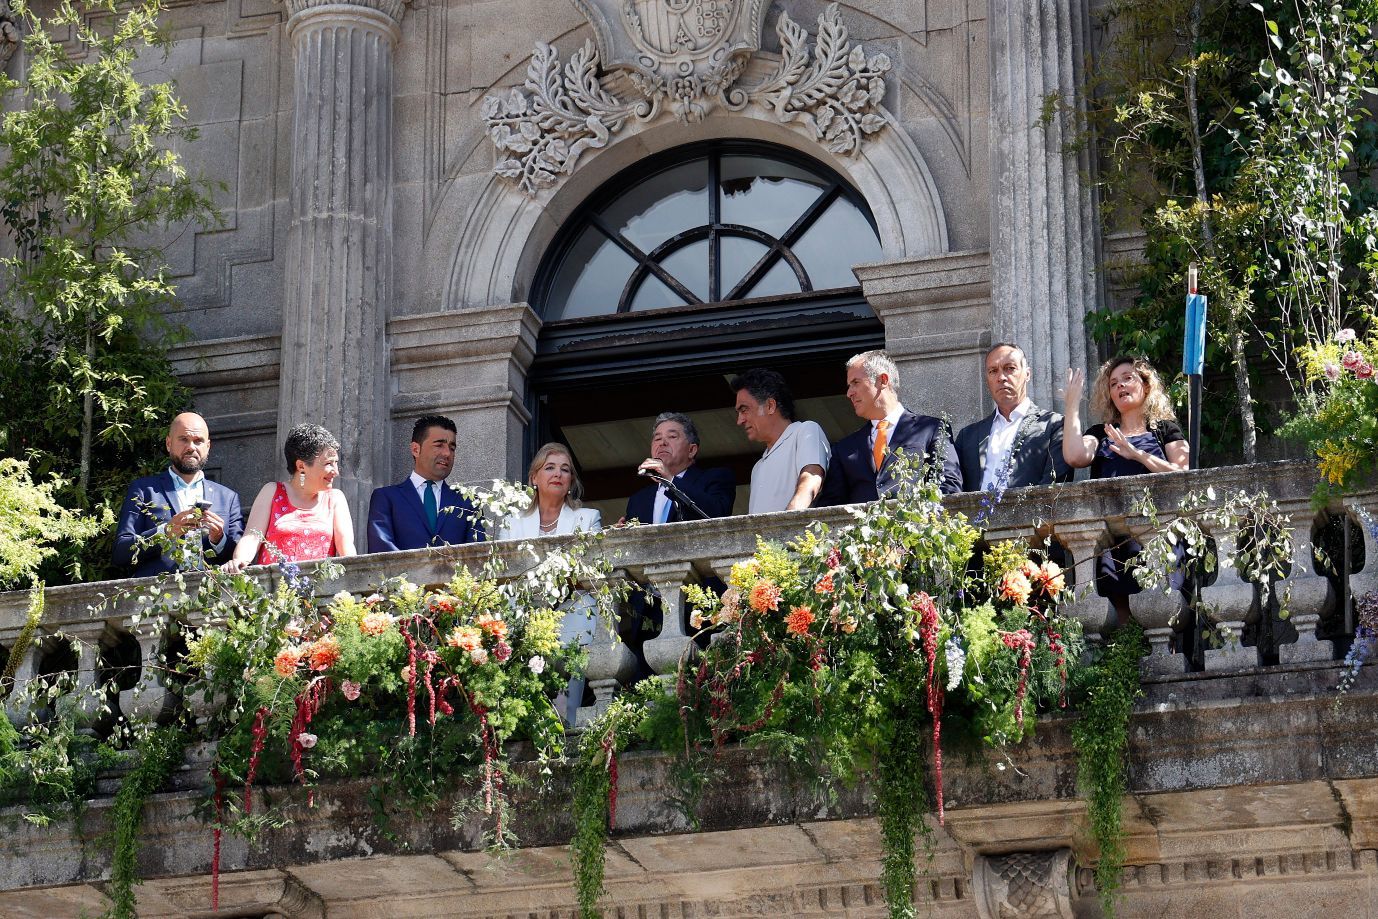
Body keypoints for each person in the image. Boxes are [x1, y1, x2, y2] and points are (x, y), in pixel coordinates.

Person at [1062, 355, 1190, 622]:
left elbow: (1182, 472)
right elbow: (1075, 456)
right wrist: (1072, 405)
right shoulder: (1101, 433)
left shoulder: (1164, 430)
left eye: (1127, 378)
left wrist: (1139, 455)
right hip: (1113, 542)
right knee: (1120, 617)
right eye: (1113, 383)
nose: (1120, 386)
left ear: (1145, 384)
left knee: (1163, 613)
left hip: (1158, 536)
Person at [498, 443, 600, 724]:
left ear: (571, 482)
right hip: (523, 618)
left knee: (565, 712)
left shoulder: (588, 518)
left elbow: (590, 574)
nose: (558, 474)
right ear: (534, 477)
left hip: (574, 618)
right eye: (550, 467)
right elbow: (506, 576)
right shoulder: (512, 523)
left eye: (565, 469)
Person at [815, 350, 962, 504]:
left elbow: (949, 486)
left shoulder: (931, 429)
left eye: (855, 383)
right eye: (849, 386)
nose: (849, 393)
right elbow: (831, 506)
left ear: (883, 380)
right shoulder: (843, 449)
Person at [113, 412, 244, 577]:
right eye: (183, 439)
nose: (191, 447)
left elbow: (239, 559)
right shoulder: (144, 490)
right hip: (157, 595)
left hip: (213, 595)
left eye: (198, 441)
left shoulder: (228, 498)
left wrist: (218, 539)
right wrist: (166, 532)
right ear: (169, 443)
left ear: (208, 446)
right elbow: (121, 553)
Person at [223, 423, 356, 571]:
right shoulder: (272, 492)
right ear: (301, 466)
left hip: (320, 591)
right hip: (274, 591)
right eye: (328, 463)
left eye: (336, 463)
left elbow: (347, 550)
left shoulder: (335, 499)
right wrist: (239, 561)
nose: (335, 471)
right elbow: (251, 537)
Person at [956, 343, 1073, 491]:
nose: (1001, 377)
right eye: (993, 371)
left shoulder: (1054, 426)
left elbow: (1053, 488)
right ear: (987, 380)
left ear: (1027, 374)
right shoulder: (967, 436)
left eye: (1009, 368)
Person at [366, 415, 485, 553]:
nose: (447, 453)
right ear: (416, 449)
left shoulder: (469, 502)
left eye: (452, 448)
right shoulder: (386, 498)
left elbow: (478, 556)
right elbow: (381, 552)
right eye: (439, 445)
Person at [731, 369, 830, 514]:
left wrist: (787, 523)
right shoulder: (758, 467)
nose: (740, 420)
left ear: (770, 405)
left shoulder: (805, 430)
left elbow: (811, 479)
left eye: (744, 409)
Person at [624, 412, 736, 524]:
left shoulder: (716, 477)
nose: (662, 443)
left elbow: (719, 517)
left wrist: (670, 480)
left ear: (691, 450)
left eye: (672, 436)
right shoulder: (638, 499)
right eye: (657, 439)